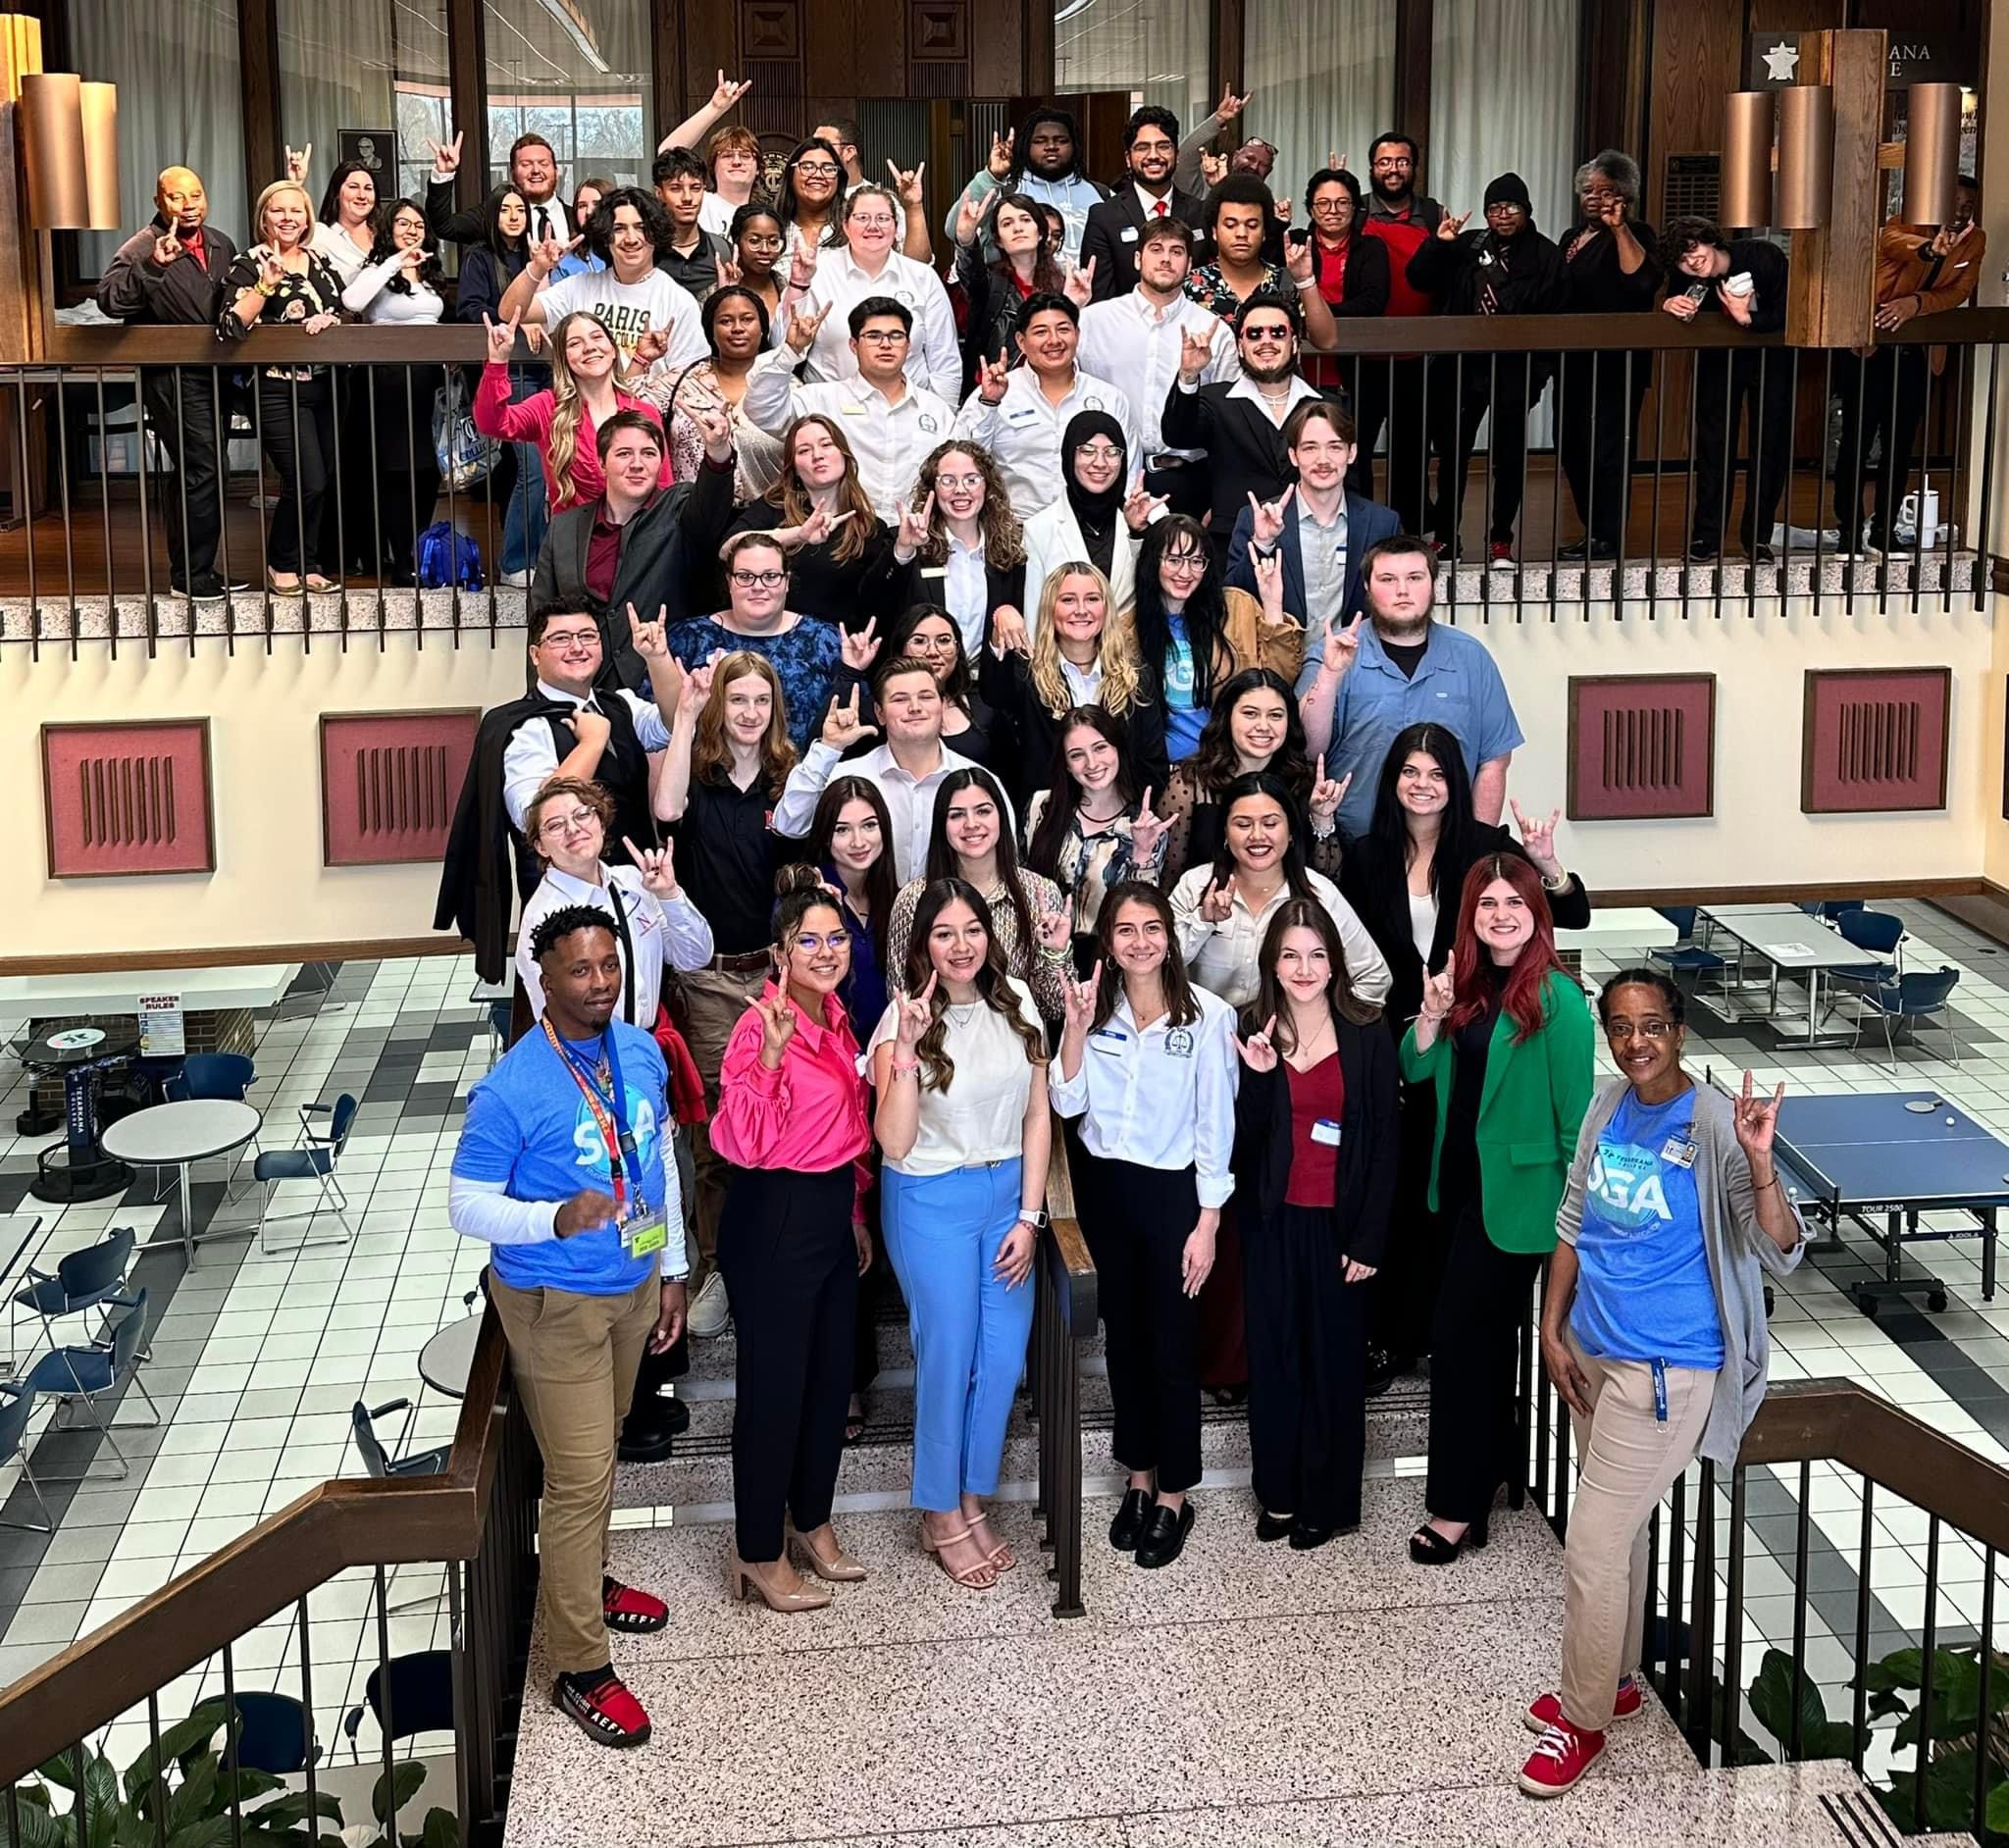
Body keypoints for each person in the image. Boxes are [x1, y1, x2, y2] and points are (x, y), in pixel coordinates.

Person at [1520, 971, 1805, 1796]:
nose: (1635, 1041)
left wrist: (1759, 1163)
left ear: (1679, 1030)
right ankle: (1611, 1681)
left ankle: (1582, 1723)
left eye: (1651, 1025)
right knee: (1626, 1533)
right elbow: (1575, 1220)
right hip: (1592, 1354)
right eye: (1620, 1026)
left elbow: (1778, 1245)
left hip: (1665, 1372)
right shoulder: (1609, 1106)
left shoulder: (1715, 1123)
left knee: (1594, 1542)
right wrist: (1552, 1325)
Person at [448, 905, 688, 1746]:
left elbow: (656, 1163)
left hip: (633, 1283)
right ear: (541, 979)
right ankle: (579, 1666)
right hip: (557, 1305)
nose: (599, 985)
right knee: (580, 1476)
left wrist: (674, 1273)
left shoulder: (640, 1051)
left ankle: (585, 1578)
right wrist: (552, 1218)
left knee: (605, 1446)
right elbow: (465, 1203)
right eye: (581, 971)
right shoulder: (514, 1087)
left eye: (609, 967)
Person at [1339, 725, 1588, 1381]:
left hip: (1466, 1038)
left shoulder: (1484, 849)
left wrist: (1547, 862)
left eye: (1437, 774)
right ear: (1392, 779)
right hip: (1398, 1041)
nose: (1423, 785)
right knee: (1401, 1190)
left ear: (1455, 782)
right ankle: (1390, 1335)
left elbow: (1570, 913)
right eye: (1410, 771)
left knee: (1448, 1190)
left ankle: (1435, 1332)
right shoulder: (1366, 856)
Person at [1401, 854, 1594, 1565]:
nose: (1502, 915)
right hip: (1454, 1187)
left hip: (1517, 1203)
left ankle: (1456, 1505)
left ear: (1537, 913)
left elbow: (1577, 1125)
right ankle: (1500, 1461)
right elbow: (1416, 1067)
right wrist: (1427, 1016)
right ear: (1471, 916)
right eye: (1488, 904)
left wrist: (1575, 1230)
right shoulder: (1467, 986)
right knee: (1475, 1343)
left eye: (1515, 902)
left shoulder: (1560, 1002)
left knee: (1459, 1346)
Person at [1052, 882, 1238, 1568]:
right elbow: (1068, 1103)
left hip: (1174, 1196)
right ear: (1108, 940)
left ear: (1170, 935)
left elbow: (1217, 1123)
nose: (1139, 942)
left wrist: (1208, 1221)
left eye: (1151, 928)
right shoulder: (1092, 1010)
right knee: (1124, 1341)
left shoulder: (1209, 1017)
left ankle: (1175, 1493)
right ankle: (1136, 1475)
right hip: (1107, 1191)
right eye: (1124, 930)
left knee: (1172, 1344)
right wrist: (1072, 1032)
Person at [871, 882, 1051, 1589]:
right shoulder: (902, 1019)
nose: (961, 945)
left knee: (1003, 1359)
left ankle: (971, 1493)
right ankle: (940, 1510)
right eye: (944, 934)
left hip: (1006, 1197)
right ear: (923, 946)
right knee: (949, 1354)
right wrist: (908, 1052)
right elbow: (893, 1139)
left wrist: (1030, 1217)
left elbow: (1039, 1116)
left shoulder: (1017, 1000)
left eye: (972, 929)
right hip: (930, 1197)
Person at [711, 869, 874, 1611]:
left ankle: (811, 1518)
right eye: (808, 940)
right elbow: (739, 1141)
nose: (825, 949)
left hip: (831, 1208)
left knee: (831, 1379)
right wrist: (773, 1058)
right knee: (774, 1393)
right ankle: (758, 1551)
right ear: (781, 952)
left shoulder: (837, 1016)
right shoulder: (762, 1025)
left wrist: (856, 1212)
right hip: (774, 1214)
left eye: (836, 937)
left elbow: (845, 1129)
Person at [1230, 898, 1396, 1547]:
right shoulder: (1252, 1027)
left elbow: (1386, 1140)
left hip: (1341, 1226)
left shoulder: (1366, 1028)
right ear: (1273, 961)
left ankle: (1326, 1503)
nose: (1304, 968)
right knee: (1274, 1362)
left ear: (1335, 962)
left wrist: (1370, 1237)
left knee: (1332, 1366)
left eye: (1317, 955)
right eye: (1291, 955)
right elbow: (1240, 1142)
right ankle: (1277, 1494)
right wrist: (1262, 1081)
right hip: (1271, 1222)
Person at [653, 653, 799, 1342]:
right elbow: (665, 807)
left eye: (759, 701)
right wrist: (686, 713)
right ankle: (718, 1268)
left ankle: (769, 1259)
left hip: (775, 978)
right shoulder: (701, 774)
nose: (748, 713)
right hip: (710, 978)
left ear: (774, 708)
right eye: (736, 700)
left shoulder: (787, 776)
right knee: (717, 1138)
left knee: (781, 1123)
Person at [1300, 536, 1524, 841]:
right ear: (1367, 587)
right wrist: (1329, 675)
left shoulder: (1472, 658)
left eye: (1415, 578)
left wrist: (1476, 846)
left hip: (1446, 848)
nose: (1402, 590)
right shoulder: (1332, 652)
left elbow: (1494, 761)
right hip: (1353, 849)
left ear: (1433, 583)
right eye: (1387, 579)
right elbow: (1309, 749)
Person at [96, 165, 245, 601]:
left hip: (217, 372)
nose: (189, 205)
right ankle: (193, 577)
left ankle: (195, 571)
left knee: (199, 471)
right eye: (178, 197)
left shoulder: (221, 243)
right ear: (158, 202)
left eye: (196, 195)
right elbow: (111, 301)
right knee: (205, 468)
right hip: (171, 376)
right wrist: (153, 266)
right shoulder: (142, 246)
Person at [1407, 174, 1567, 566]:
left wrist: (1540, 373)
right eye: (1494, 209)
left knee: (1508, 455)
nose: (1502, 216)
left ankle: (1501, 540)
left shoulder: (1546, 255)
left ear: (1527, 211)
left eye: (1512, 207)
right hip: (1461, 365)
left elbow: (1557, 315)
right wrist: (1437, 244)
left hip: (1516, 368)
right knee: (1452, 453)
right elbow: (1419, 279)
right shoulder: (1469, 243)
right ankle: (1446, 537)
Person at [1833, 179, 1985, 555]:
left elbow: (1959, 291)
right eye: (1954, 202)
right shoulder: (1903, 225)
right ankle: (1849, 532)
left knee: (1899, 445)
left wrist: (1915, 304)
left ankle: (1884, 531)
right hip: (1870, 347)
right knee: (1857, 441)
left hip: (1917, 351)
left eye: (1968, 205)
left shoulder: (1974, 240)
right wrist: (1930, 250)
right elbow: (1892, 244)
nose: (1961, 211)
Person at [531, 405, 738, 675]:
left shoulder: (679, 507)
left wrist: (718, 451)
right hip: (585, 687)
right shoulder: (564, 528)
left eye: (649, 454)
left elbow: (712, 507)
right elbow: (541, 619)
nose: (637, 464)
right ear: (602, 463)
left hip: (662, 685)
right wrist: (540, 697)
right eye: (624, 454)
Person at [217, 180, 347, 596]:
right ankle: (282, 562)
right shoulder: (248, 263)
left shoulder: (320, 261)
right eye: (278, 210)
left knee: (321, 478)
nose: (289, 218)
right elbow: (231, 325)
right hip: (274, 387)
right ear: (263, 218)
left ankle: (309, 563)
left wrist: (332, 321)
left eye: (297, 210)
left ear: (308, 218)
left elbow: (343, 308)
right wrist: (265, 286)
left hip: (324, 385)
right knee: (305, 478)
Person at [1170, 772, 1391, 1010]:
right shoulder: (1196, 885)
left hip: (1289, 1042)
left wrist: (1318, 1023)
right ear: (1225, 831)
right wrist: (1203, 920)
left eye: (1270, 824)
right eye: (1243, 824)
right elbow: (1157, 966)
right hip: (1205, 1039)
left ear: (1291, 831)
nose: (1257, 836)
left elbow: (1374, 978)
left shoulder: (1318, 893)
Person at [517, 773, 715, 1030]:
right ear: (541, 846)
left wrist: (670, 895)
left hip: (649, 1043)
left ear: (601, 822)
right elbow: (553, 1020)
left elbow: (695, 957)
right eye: (555, 825)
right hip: (593, 1058)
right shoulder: (541, 918)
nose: (573, 829)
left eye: (582, 815)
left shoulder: (634, 882)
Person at [1075, 217, 1239, 522]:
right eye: (1156, 249)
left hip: (1189, 480)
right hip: (1108, 476)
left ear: (1190, 263)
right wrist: (1071, 307)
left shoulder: (1212, 329)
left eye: (1177, 252)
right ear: (1137, 258)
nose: (1166, 259)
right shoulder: (1094, 321)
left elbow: (1230, 421)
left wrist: (1223, 497)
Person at [773, 653, 985, 882]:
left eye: (925, 697)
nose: (914, 707)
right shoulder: (849, 778)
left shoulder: (977, 782)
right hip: (865, 915)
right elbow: (790, 824)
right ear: (879, 713)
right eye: (900, 699)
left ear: (942, 706)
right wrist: (829, 748)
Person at [744, 295, 956, 521]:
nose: (886, 344)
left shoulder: (935, 410)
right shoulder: (822, 398)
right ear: (854, 345)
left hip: (916, 537)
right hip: (844, 538)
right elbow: (760, 409)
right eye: (874, 336)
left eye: (896, 336)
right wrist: (790, 351)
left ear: (908, 346)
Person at [979, 562, 1169, 805]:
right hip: (1049, 820)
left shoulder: (1137, 677)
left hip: (1121, 818)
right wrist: (1001, 616)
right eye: (1068, 600)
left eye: (1092, 599)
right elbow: (993, 692)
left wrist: (1122, 816)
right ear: (1050, 608)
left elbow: (1152, 763)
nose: (1081, 610)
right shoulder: (1027, 675)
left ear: (1106, 608)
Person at [502, 605, 682, 863]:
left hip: (635, 883)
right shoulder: (525, 727)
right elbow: (533, 815)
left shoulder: (620, 704)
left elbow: (675, 723)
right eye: (561, 639)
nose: (577, 647)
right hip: (567, 894)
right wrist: (591, 743)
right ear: (535, 654)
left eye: (587, 636)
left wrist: (658, 658)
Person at [1660, 217, 1791, 565]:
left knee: (1770, 448)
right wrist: (1670, 304)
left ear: (1709, 240)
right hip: (1718, 364)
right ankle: (1706, 536)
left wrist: (1749, 318)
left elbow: (1790, 312)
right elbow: (1675, 300)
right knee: (1713, 449)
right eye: (1681, 258)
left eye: (1693, 249)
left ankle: (1758, 539)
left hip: (1771, 362)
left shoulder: (1763, 256)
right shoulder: (1687, 276)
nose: (1691, 261)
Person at [888, 768, 1070, 1019]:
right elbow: (899, 999)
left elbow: (1055, 1008)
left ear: (1001, 816)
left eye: (983, 811)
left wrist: (1055, 952)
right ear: (942, 824)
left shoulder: (1039, 892)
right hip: (935, 1044)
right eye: (956, 815)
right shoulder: (914, 899)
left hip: (1019, 1042)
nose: (971, 824)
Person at [1160, 294, 1331, 550]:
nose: (1266, 341)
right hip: (1233, 545)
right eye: (1254, 334)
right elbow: (1177, 435)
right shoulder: (1216, 400)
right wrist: (1188, 374)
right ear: (1240, 347)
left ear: (1294, 343)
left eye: (1277, 332)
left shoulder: (1326, 406)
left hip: (1313, 544)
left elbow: (1349, 484)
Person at [1556, 153, 1663, 561]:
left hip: (1617, 364)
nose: (1595, 198)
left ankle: (1607, 536)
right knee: (1572, 446)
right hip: (1573, 361)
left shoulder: (1637, 234)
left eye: (1606, 191)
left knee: (1608, 451)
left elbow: (1642, 282)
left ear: (1625, 197)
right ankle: (1593, 528)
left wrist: (1619, 231)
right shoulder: (1570, 238)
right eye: (1588, 190)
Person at [723, 414, 922, 629]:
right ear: (795, 468)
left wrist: (903, 547)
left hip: (836, 648)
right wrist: (797, 534)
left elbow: (875, 602)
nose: (817, 455)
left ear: (844, 455)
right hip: (772, 640)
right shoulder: (774, 507)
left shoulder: (868, 527)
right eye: (804, 450)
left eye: (826, 444)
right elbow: (727, 549)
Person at [665, 531, 858, 752]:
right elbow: (658, 723)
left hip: (809, 776)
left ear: (786, 581)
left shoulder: (824, 639)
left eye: (770, 576)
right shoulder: (689, 637)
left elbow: (852, 717)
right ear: (729, 581)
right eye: (746, 576)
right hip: (705, 778)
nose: (758, 586)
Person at [1134, 514, 1305, 763]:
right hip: (1165, 769)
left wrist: (1272, 604)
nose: (1186, 572)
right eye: (1174, 560)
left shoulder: (1236, 607)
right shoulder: (1129, 627)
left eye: (1196, 561)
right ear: (1153, 562)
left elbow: (1278, 681)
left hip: (1233, 760)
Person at [952, 293, 1138, 517]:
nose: (1054, 340)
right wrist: (989, 404)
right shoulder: (996, 393)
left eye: (1063, 329)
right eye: (1041, 332)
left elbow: (1129, 475)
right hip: (1016, 530)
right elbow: (960, 462)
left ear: (1077, 334)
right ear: (1021, 341)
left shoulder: (1109, 398)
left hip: (1091, 529)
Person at [338, 199, 446, 583]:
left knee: (427, 471)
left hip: (427, 384)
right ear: (389, 229)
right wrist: (393, 262)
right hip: (386, 383)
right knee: (395, 471)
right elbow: (351, 301)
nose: (412, 229)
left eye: (418, 223)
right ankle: (398, 558)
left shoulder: (432, 274)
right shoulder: (376, 270)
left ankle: (415, 550)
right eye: (403, 223)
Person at [1225, 401, 1400, 636]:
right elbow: (1234, 597)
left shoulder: (1382, 523)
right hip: (1279, 663)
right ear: (1294, 456)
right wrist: (1262, 544)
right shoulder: (1256, 517)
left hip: (1355, 663)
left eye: (1335, 447)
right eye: (1310, 448)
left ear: (1352, 453)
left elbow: (1395, 599)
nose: (1323, 459)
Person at [475, 310, 675, 514]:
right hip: (576, 541)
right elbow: (492, 423)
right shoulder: (548, 407)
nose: (589, 347)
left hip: (639, 538)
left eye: (597, 337)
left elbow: (664, 486)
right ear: (564, 359)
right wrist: (497, 363)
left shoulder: (644, 412)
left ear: (613, 350)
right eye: (575, 344)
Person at [773, 186, 960, 402]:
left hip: (908, 412)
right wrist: (799, 283)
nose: (873, 226)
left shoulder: (922, 277)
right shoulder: (818, 271)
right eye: (862, 218)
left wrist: (941, 418)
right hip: (832, 413)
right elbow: (781, 343)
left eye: (882, 218)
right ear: (845, 225)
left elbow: (946, 362)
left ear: (896, 227)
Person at [1159, 667, 1344, 885]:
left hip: (1289, 913)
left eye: (1275, 715)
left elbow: (1328, 879)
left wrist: (1322, 819)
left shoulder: (1304, 780)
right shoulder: (1188, 785)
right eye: (1250, 714)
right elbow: (1168, 881)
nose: (1263, 726)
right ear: (1227, 717)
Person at [498, 187, 708, 374]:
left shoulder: (679, 301)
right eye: (619, 229)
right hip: (585, 413)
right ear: (605, 237)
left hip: (648, 414)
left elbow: (687, 380)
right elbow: (509, 312)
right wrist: (538, 267)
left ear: (655, 234)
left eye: (641, 227)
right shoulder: (579, 287)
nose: (631, 238)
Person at [1352, 131, 1446, 533]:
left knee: (1412, 450)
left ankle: (1410, 530)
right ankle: (1362, 527)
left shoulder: (1432, 213)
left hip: (1417, 353)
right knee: (1358, 450)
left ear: (1414, 167)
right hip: (1361, 355)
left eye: (1401, 161)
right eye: (1384, 162)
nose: (1393, 169)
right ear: (1372, 168)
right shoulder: (1353, 213)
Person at [1024, 706, 1171, 957]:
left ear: (1118, 750)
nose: (1091, 763)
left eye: (1100, 748)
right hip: (1041, 950)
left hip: (1106, 959)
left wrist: (1142, 853)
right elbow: (1022, 877)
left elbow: (1141, 913)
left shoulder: (1144, 826)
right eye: (1076, 755)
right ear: (1067, 765)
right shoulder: (1043, 806)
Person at [653, 282, 786, 506]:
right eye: (725, 321)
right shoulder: (681, 380)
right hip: (689, 516)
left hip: (768, 524)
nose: (737, 328)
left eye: (747, 319)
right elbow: (623, 406)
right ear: (710, 331)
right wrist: (641, 360)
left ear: (763, 327)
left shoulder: (786, 385)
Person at [1018, 411, 1156, 617]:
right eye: (1088, 451)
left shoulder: (1149, 516)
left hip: (1130, 647)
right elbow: (1035, 617)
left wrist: (1140, 534)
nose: (1100, 462)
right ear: (1069, 456)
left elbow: (1156, 595)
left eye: (1111, 452)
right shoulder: (1039, 529)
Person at [903, 440, 1027, 656]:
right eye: (948, 481)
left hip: (988, 682)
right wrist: (903, 549)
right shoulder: (910, 544)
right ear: (932, 488)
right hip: (923, 682)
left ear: (987, 486)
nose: (960, 490)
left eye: (971, 480)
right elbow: (877, 603)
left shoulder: (1009, 552)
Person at [1080, 107, 1209, 301]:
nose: (1153, 155)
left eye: (1163, 146)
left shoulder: (1200, 212)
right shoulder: (1104, 217)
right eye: (1142, 148)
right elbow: (1100, 298)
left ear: (1177, 154)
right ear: (1128, 159)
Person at [950, 108, 1107, 266]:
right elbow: (955, 231)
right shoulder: (1007, 192)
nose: (1051, 146)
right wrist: (992, 176)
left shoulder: (1102, 194)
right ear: (1026, 146)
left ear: (1075, 146)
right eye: (1040, 141)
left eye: (1061, 140)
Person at [952, 188, 1066, 392]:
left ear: (1040, 233)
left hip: (1051, 390)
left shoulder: (1063, 284)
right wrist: (967, 240)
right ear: (998, 240)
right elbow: (970, 272)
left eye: (1025, 220)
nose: (1017, 228)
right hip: (996, 391)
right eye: (1007, 224)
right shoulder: (988, 283)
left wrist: (1076, 305)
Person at [1298, 167, 1391, 399]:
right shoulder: (1296, 243)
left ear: (1354, 207)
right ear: (1311, 209)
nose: (1333, 210)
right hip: (1300, 368)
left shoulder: (1371, 248)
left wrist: (1315, 314)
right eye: (1323, 203)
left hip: (1356, 365)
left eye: (1342, 202)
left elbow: (1373, 302)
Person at [872, 602, 1001, 767]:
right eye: (919, 641)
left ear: (958, 648)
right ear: (900, 648)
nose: (932, 651)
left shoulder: (984, 704)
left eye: (943, 640)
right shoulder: (882, 706)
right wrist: (851, 670)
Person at [427, 128, 570, 246]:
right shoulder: (493, 216)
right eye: (526, 164)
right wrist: (444, 173)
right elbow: (443, 226)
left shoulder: (577, 217)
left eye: (544, 163)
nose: (536, 170)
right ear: (512, 174)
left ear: (556, 172)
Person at [655, 71, 758, 233]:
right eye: (727, 155)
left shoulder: (764, 216)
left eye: (745, 156)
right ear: (713, 165)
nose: (737, 161)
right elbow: (668, 152)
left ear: (758, 167)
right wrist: (715, 108)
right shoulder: (699, 202)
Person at [652, 147, 731, 299]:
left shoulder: (722, 250)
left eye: (695, 188)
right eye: (676, 188)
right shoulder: (646, 251)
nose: (687, 197)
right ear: (659, 193)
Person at [309, 158, 379, 288]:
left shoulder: (386, 235)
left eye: (368, 188)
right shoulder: (320, 235)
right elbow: (289, 228)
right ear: (336, 193)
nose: (362, 195)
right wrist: (295, 183)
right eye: (353, 187)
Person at [775, 136, 847, 261]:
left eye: (828, 169)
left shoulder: (853, 228)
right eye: (807, 167)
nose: (818, 175)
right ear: (790, 175)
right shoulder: (771, 229)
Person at [726, 203, 787, 321]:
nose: (765, 250)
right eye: (754, 241)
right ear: (737, 242)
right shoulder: (714, 292)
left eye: (773, 242)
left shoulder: (788, 289)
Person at [553, 178, 610, 278]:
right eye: (582, 206)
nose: (589, 212)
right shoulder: (564, 263)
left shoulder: (630, 249)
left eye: (597, 204)